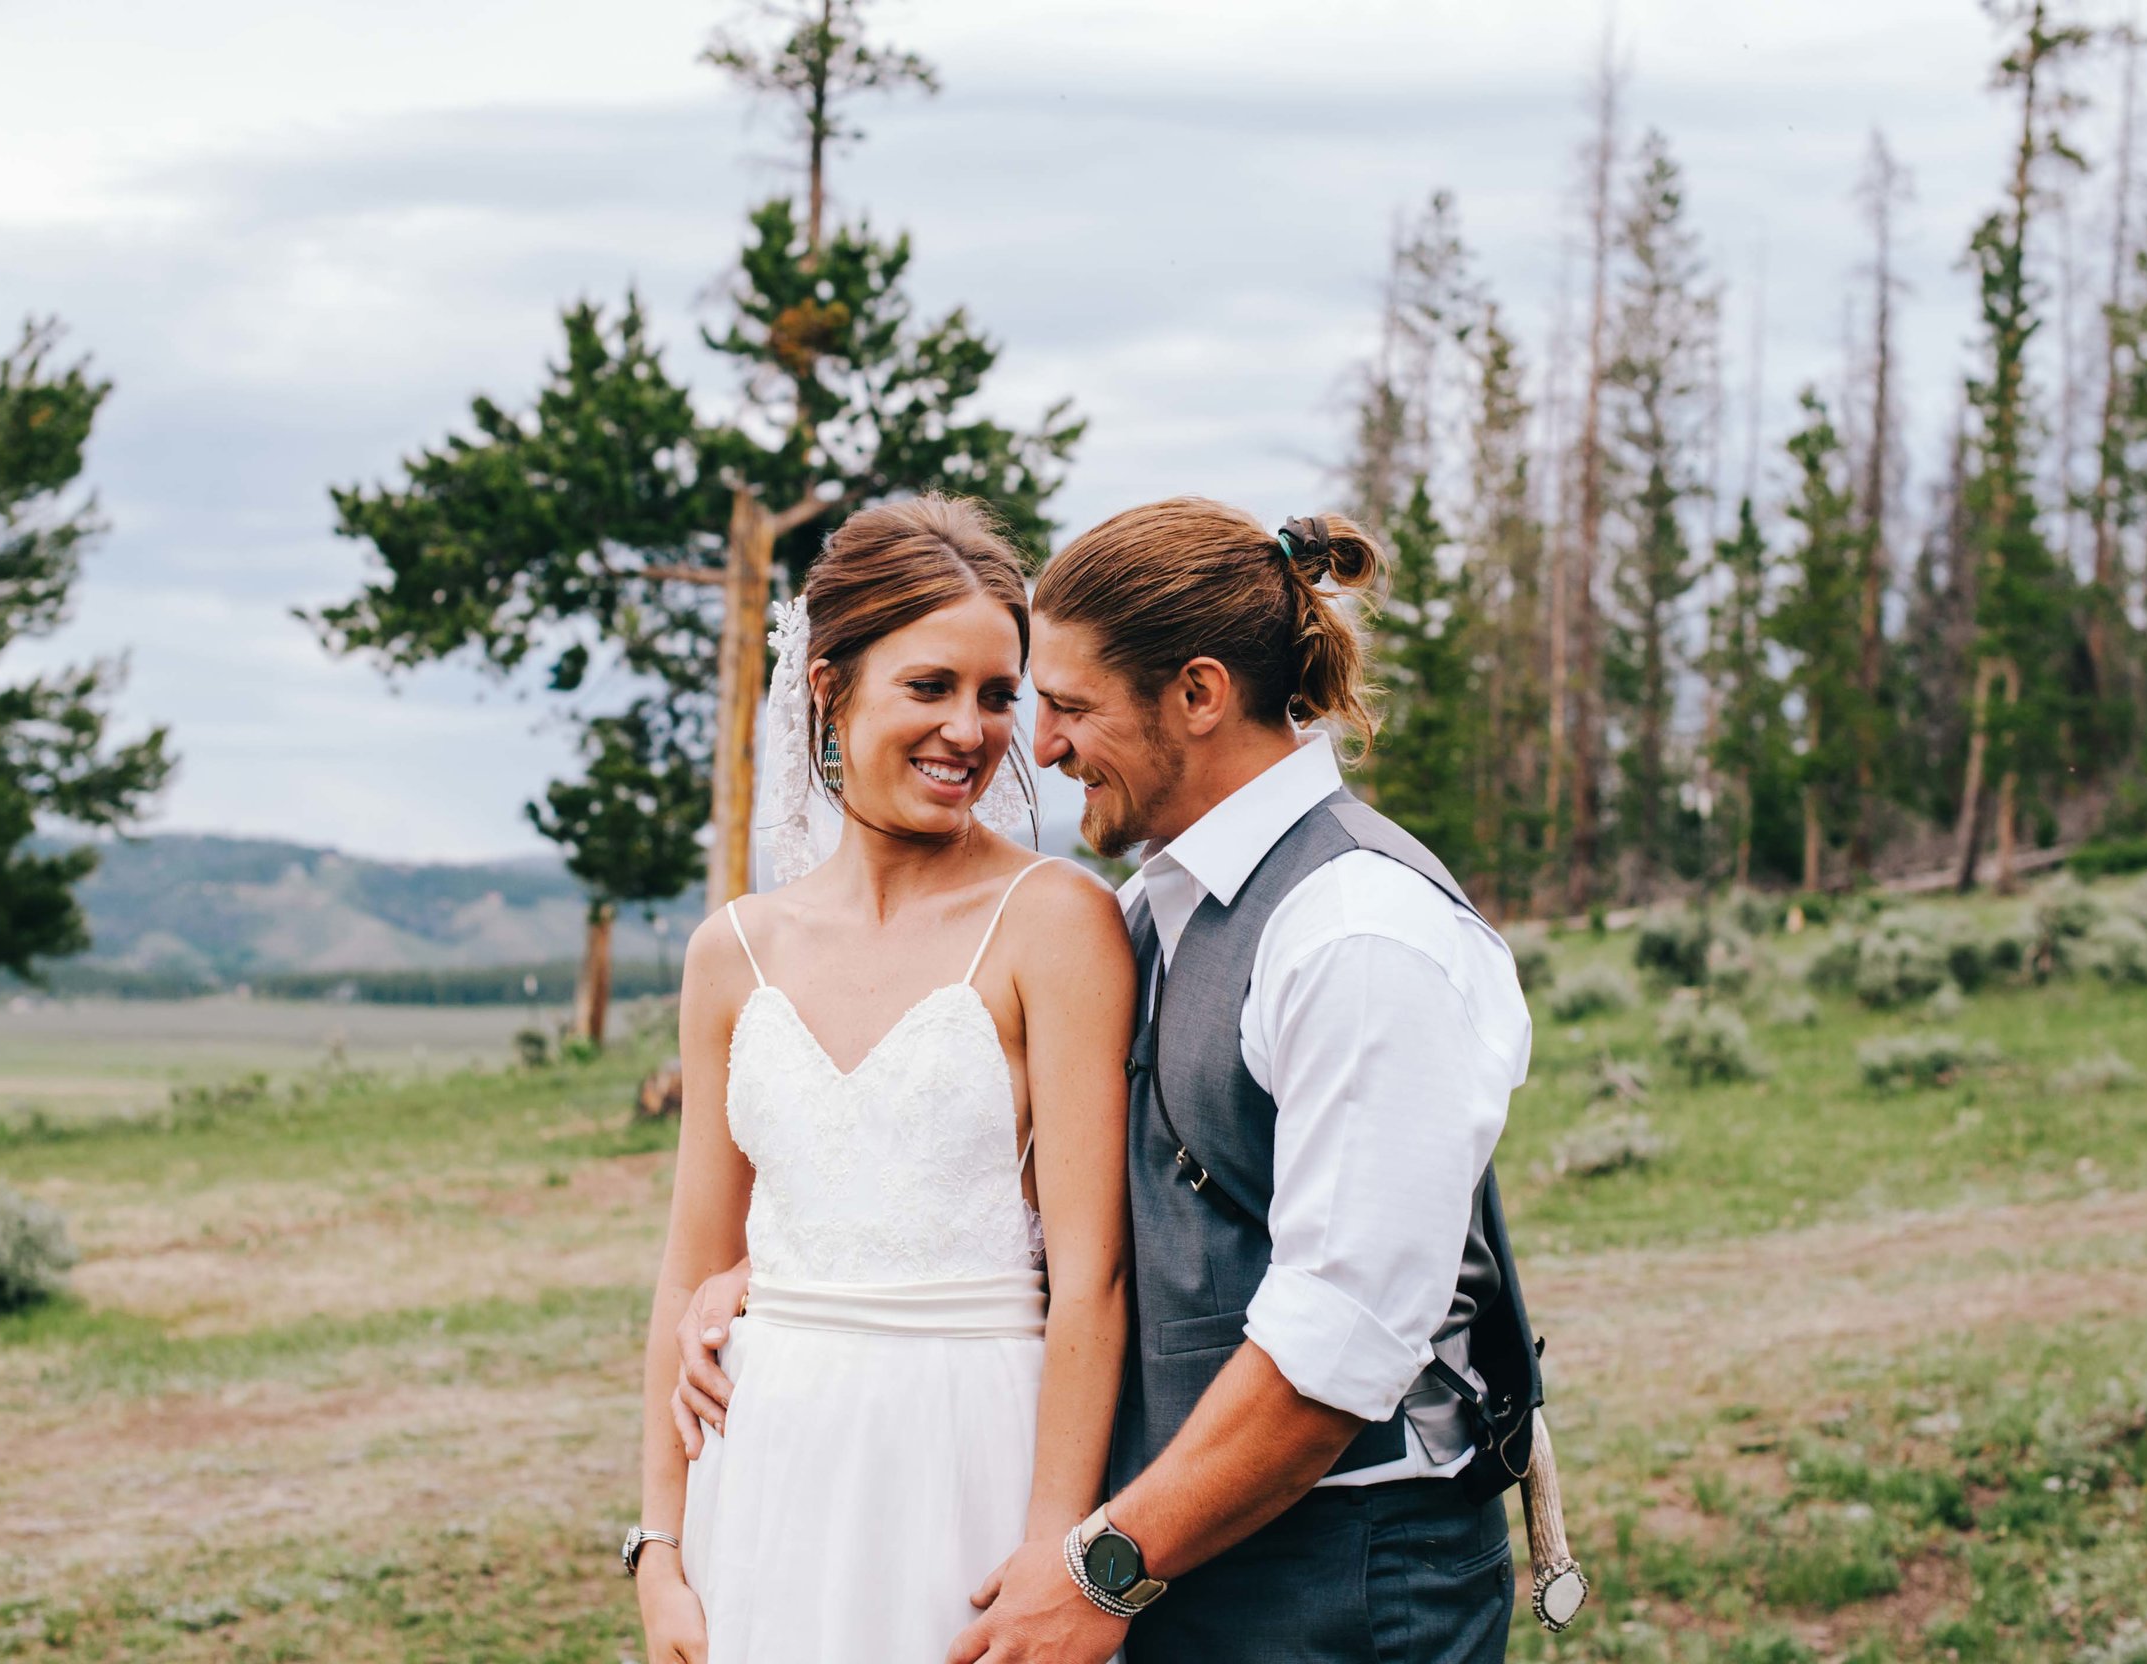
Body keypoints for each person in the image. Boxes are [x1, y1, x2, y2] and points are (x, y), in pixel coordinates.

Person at [676, 497, 1535, 1664]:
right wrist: (763, 1274)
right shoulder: (1153, 912)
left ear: (1196, 693)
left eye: (1065, 706)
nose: (1034, 745)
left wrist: (1103, 1568)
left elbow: (1338, 1341)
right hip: (1182, 1554)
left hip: (1345, 1573)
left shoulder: (1359, 933)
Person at [627, 495, 1134, 1664]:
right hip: (762, 1467)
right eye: (929, 686)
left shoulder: (1053, 922)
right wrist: (660, 1549)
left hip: (972, 1456)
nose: (971, 728)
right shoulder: (732, 951)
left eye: (998, 694)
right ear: (827, 686)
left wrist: (1058, 1539)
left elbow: (1094, 1274)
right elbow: (686, 1271)